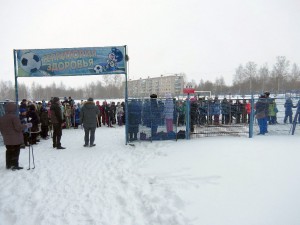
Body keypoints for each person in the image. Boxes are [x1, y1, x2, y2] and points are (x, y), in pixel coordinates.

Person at [0, 102, 32, 170]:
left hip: (7, 138)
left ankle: (8, 164)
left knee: (8, 151)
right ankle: (15, 165)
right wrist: (27, 125)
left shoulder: (2, 118)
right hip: (15, 139)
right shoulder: (14, 117)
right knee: (16, 151)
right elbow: (18, 128)